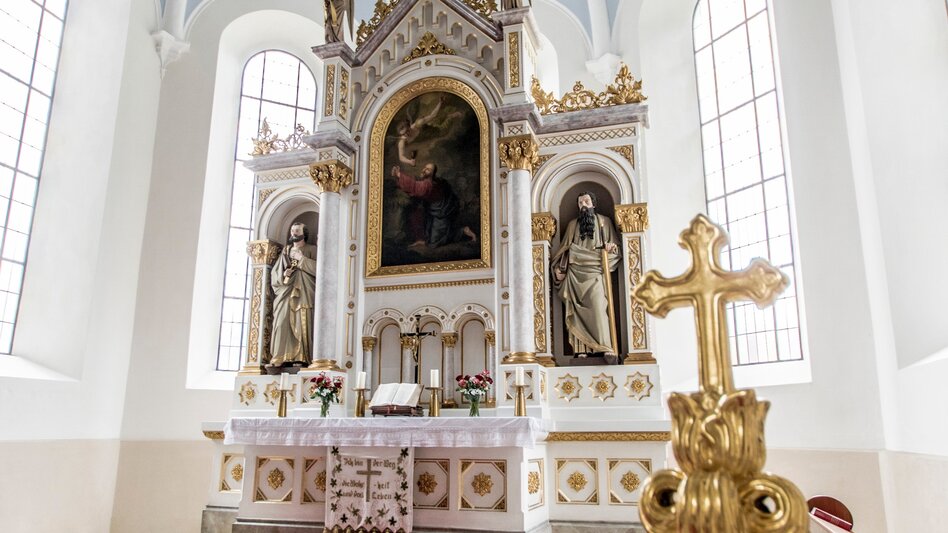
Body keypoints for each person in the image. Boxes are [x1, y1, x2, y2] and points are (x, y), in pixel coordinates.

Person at [550, 192, 620, 357]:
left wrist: (611, 248)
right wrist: (559, 269)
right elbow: (564, 249)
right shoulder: (573, 225)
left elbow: (615, 248)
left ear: (593, 204)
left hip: (595, 273)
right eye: (580, 202)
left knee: (598, 306)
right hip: (575, 275)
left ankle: (605, 346)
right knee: (576, 311)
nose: (583, 205)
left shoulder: (604, 221)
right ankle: (582, 349)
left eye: (586, 201)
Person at [390, 163, 477, 247]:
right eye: (425, 168)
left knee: (435, 242)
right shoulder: (428, 181)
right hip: (433, 210)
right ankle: (426, 240)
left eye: (428, 170)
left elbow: (415, 187)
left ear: (432, 174)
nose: (424, 170)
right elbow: (415, 183)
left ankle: (463, 231)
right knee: (429, 235)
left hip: (442, 212)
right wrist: (399, 176)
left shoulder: (429, 184)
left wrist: (399, 174)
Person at [269, 222, 317, 368]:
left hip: (304, 291)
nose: (293, 233)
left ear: (304, 233)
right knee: (281, 321)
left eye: (297, 231)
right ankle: (280, 356)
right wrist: (284, 273)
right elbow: (275, 272)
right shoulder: (286, 250)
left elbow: (320, 269)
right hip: (286, 291)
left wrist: (302, 259)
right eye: (292, 231)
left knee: (301, 322)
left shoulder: (311, 249)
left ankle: (301, 357)